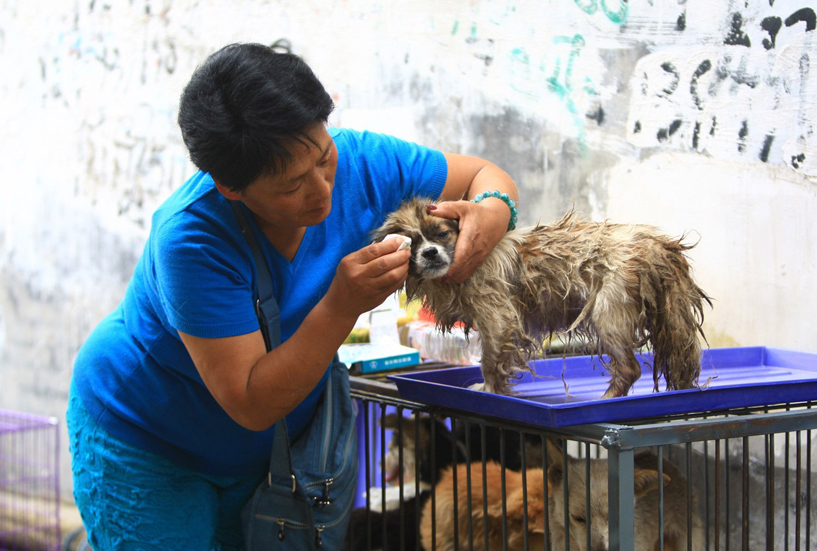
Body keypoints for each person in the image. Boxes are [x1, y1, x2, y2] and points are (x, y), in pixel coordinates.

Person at [66, 42, 519, 550]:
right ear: (231, 187)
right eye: (291, 186)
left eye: (324, 158)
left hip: (266, 451)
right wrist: (342, 305)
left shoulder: (362, 161)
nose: (323, 190)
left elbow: (483, 176)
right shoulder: (191, 240)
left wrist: (495, 209)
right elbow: (253, 401)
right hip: (150, 437)